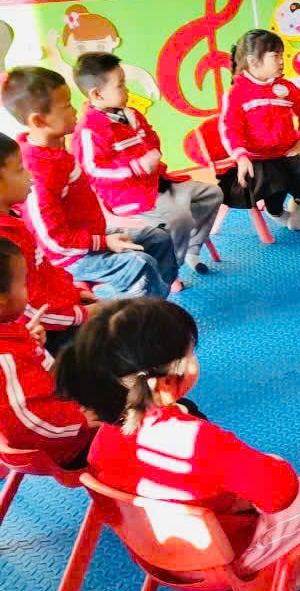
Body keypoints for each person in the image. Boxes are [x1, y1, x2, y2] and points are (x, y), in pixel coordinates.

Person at [54, 300, 300, 591]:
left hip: (158, 557)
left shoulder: (102, 441)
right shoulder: (197, 440)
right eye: (189, 355)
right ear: (165, 385)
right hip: (230, 557)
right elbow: (280, 493)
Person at [1, 67, 176, 298]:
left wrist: (101, 239)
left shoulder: (55, 147)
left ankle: (155, 301)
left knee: (158, 238)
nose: (75, 110)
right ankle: (138, 314)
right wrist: (102, 242)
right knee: (139, 264)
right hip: (69, 256)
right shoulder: (39, 171)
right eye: (66, 105)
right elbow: (54, 241)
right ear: (40, 120)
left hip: (91, 235)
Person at [72, 52, 223, 276]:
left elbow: (151, 139)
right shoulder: (88, 130)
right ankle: (170, 267)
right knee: (179, 218)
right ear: (97, 94)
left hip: (158, 183)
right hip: (129, 196)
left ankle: (192, 249)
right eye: (120, 85)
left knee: (213, 194)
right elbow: (92, 171)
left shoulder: (131, 114)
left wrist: (152, 154)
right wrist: (137, 167)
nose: (127, 90)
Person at [0, 133, 102, 355]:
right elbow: (29, 305)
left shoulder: (13, 219)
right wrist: (81, 314)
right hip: (48, 331)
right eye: (20, 169)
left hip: (58, 313)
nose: (29, 175)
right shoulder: (5, 239)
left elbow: (43, 272)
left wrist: (74, 293)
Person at [219, 29, 300, 232]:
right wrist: (241, 156)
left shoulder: (285, 87)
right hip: (258, 161)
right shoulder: (237, 93)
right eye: (275, 56)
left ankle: (297, 205)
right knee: (276, 183)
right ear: (253, 61)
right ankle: (276, 211)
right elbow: (229, 128)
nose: (281, 61)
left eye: (282, 55)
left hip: (286, 153)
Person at [0, 237, 96, 467]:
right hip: (70, 445)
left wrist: (29, 340)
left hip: (61, 410)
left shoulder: (8, 330)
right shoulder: (5, 359)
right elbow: (31, 422)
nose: (27, 289)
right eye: (24, 283)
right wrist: (80, 421)